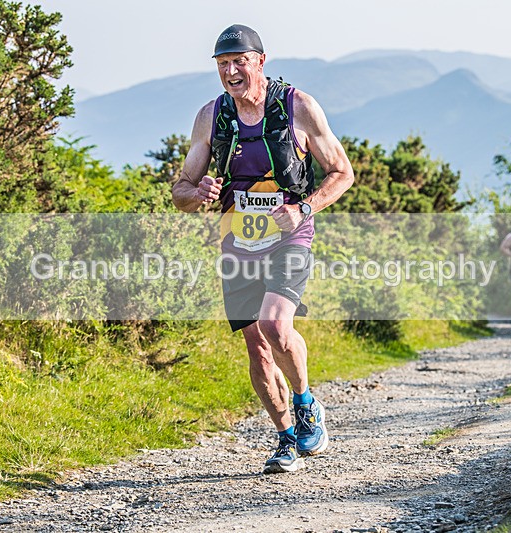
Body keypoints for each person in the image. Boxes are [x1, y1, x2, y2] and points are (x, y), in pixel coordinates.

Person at [171, 24, 354, 474]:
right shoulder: (211, 116)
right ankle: (286, 438)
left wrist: (304, 208)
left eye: (239, 61)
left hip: (291, 233)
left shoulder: (299, 107)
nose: (231, 71)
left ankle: (305, 402)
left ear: (260, 61)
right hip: (237, 239)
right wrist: (197, 193)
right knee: (257, 348)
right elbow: (181, 190)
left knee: (275, 324)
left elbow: (342, 173)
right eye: (222, 64)